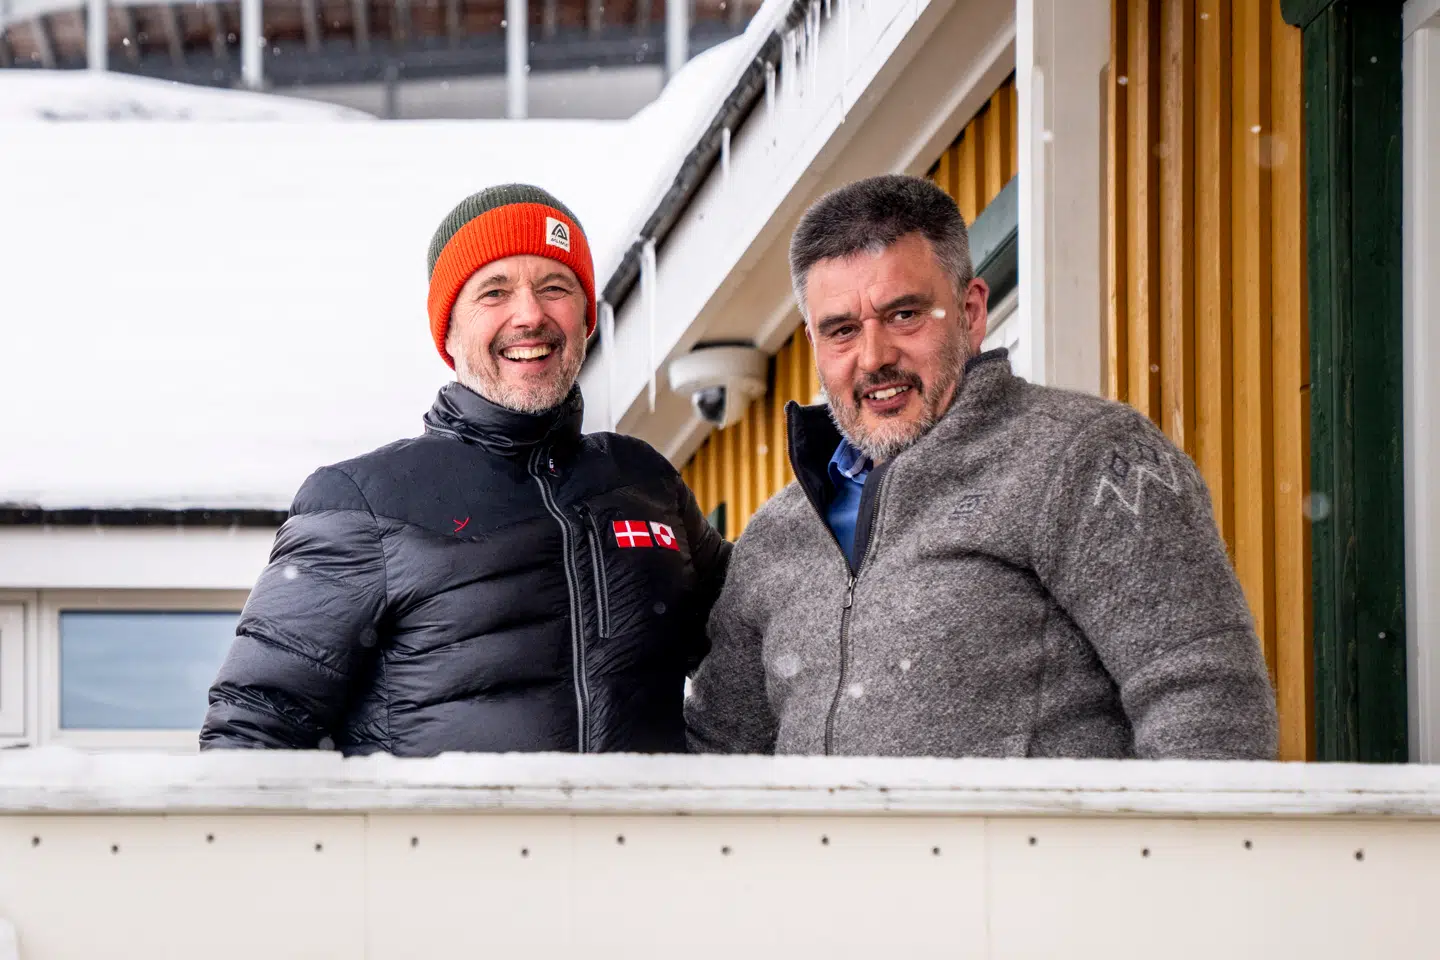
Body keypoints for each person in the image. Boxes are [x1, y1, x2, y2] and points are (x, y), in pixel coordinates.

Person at [685, 174, 1277, 759]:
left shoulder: (1089, 458)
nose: (874, 357)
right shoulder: (773, 540)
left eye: (903, 315)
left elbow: (1206, 703)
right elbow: (718, 758)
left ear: (970, 313)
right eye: (841, 330)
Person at [202, 184, 728, 755]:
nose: (529, 315)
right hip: (442, 844)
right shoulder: (364, 500)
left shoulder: (642, 483)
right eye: (493, 292)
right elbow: (253, 731)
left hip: (643, 844)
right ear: (447, 332)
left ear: (585, 318)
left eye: (555, 287)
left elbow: (757, 633)